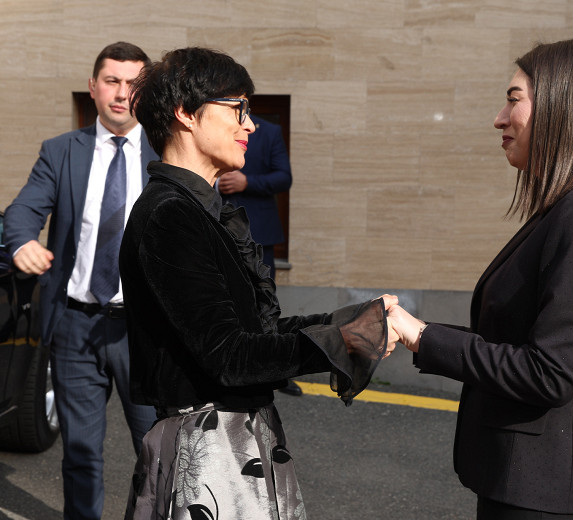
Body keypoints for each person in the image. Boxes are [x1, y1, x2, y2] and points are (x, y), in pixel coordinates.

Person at [121, 46, 398, 519]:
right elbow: (229, 356)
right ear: (185, 112)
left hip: (237, 442)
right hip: (208, 455)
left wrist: (354, 319)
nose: (249, 125)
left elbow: (258, 332)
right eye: (238, 108)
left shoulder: (200, 210)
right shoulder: (170, 215)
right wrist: (346, 339)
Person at [388, 38, 573, 519]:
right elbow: (521, 342)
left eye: (514, 100)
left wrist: (424, 337)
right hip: (539, 488)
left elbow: (551, 372)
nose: (499, 118)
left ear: (563, 103)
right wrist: (417, 333)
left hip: (547, 496)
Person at [3, 42, 158, 519]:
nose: (122, 94)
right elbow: (23, 211)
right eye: (112, 81)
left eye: (133, 84)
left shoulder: (168, 152)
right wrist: (21, 242)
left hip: (146, 332)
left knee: (157, 454)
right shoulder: (60, 151)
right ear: (93, 87)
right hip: (75, 326)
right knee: (81, 455)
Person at [218, 115, 302, 397]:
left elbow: (284, 177)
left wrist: (248, 182)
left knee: (264, 303)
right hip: (216, 227)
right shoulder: (213, 125)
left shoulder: (270, 131)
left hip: (259, 234)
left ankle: (275, 369)